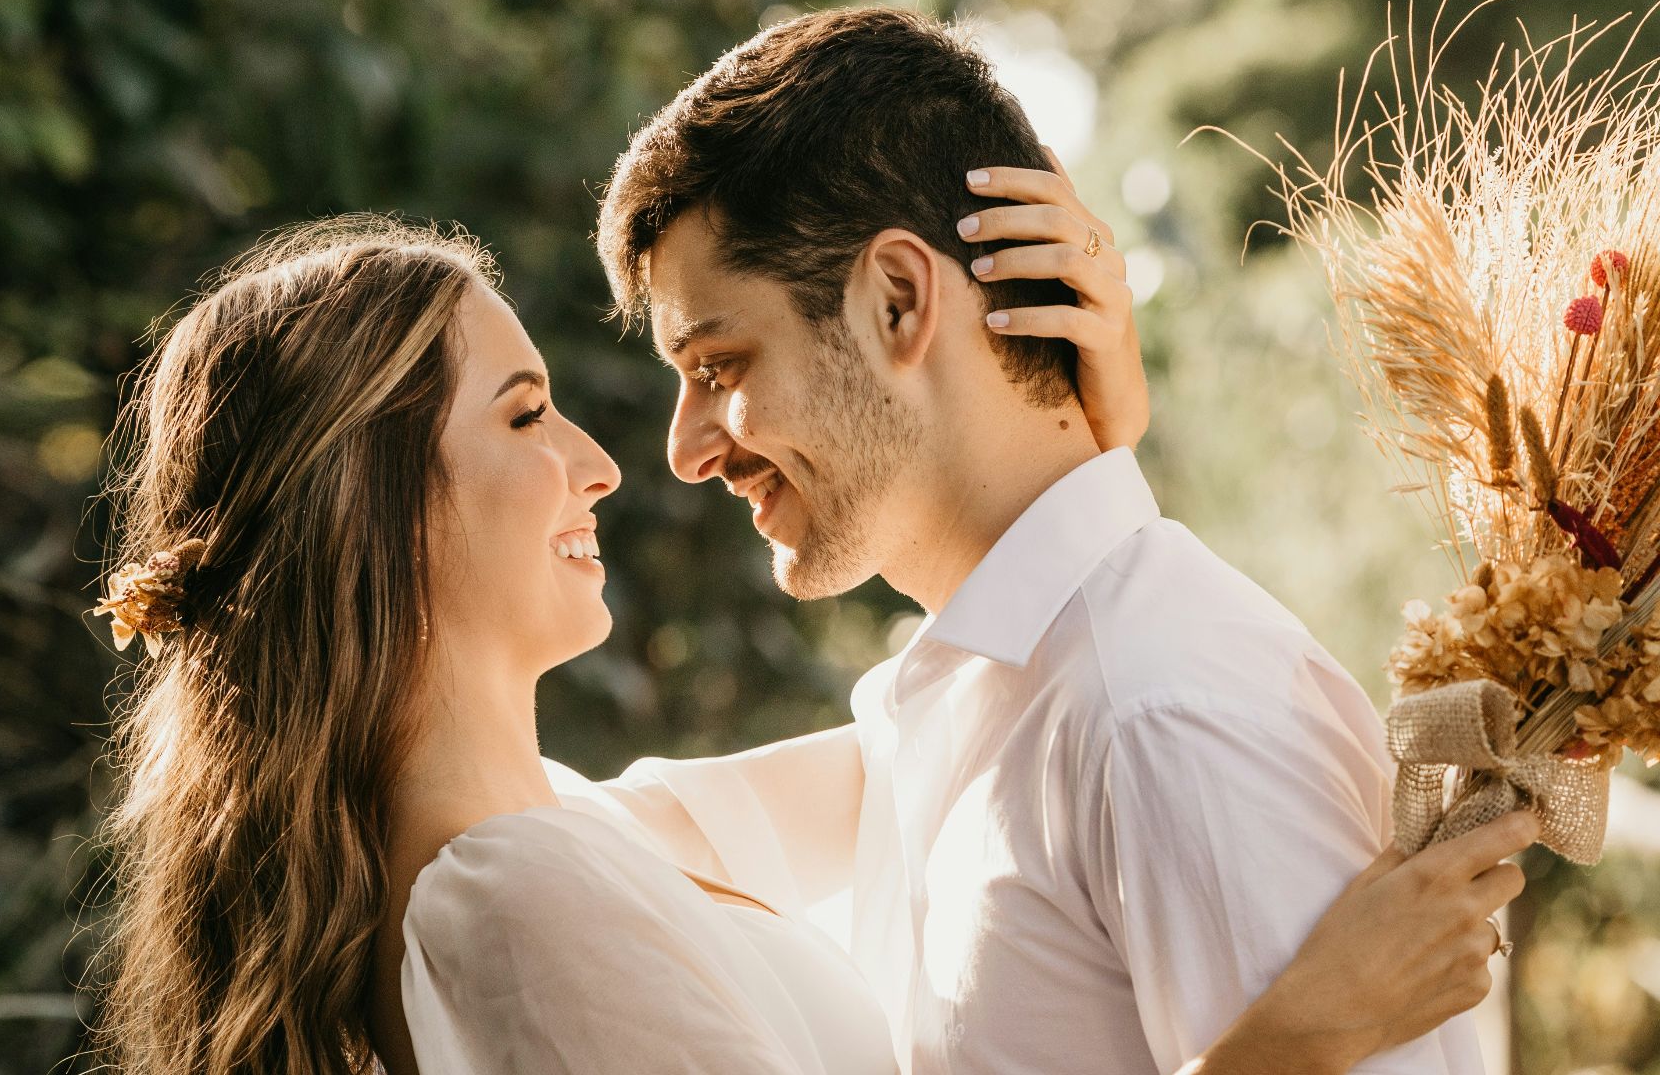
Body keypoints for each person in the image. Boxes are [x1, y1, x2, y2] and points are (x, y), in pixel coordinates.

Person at [91, 214, 1533, 1075]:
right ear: (376, 508)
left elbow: (967, 717)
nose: (606, 464)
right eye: (526, 415)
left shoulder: (577, 839)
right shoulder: (510, 905)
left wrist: (1063, 447)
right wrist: (1290, 1045)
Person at [574, 5, 1519, 1075]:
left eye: (720, 367)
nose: (686, 450)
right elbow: (568, 845)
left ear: (897, 302)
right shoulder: (946, 705)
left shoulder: (1165, 717)